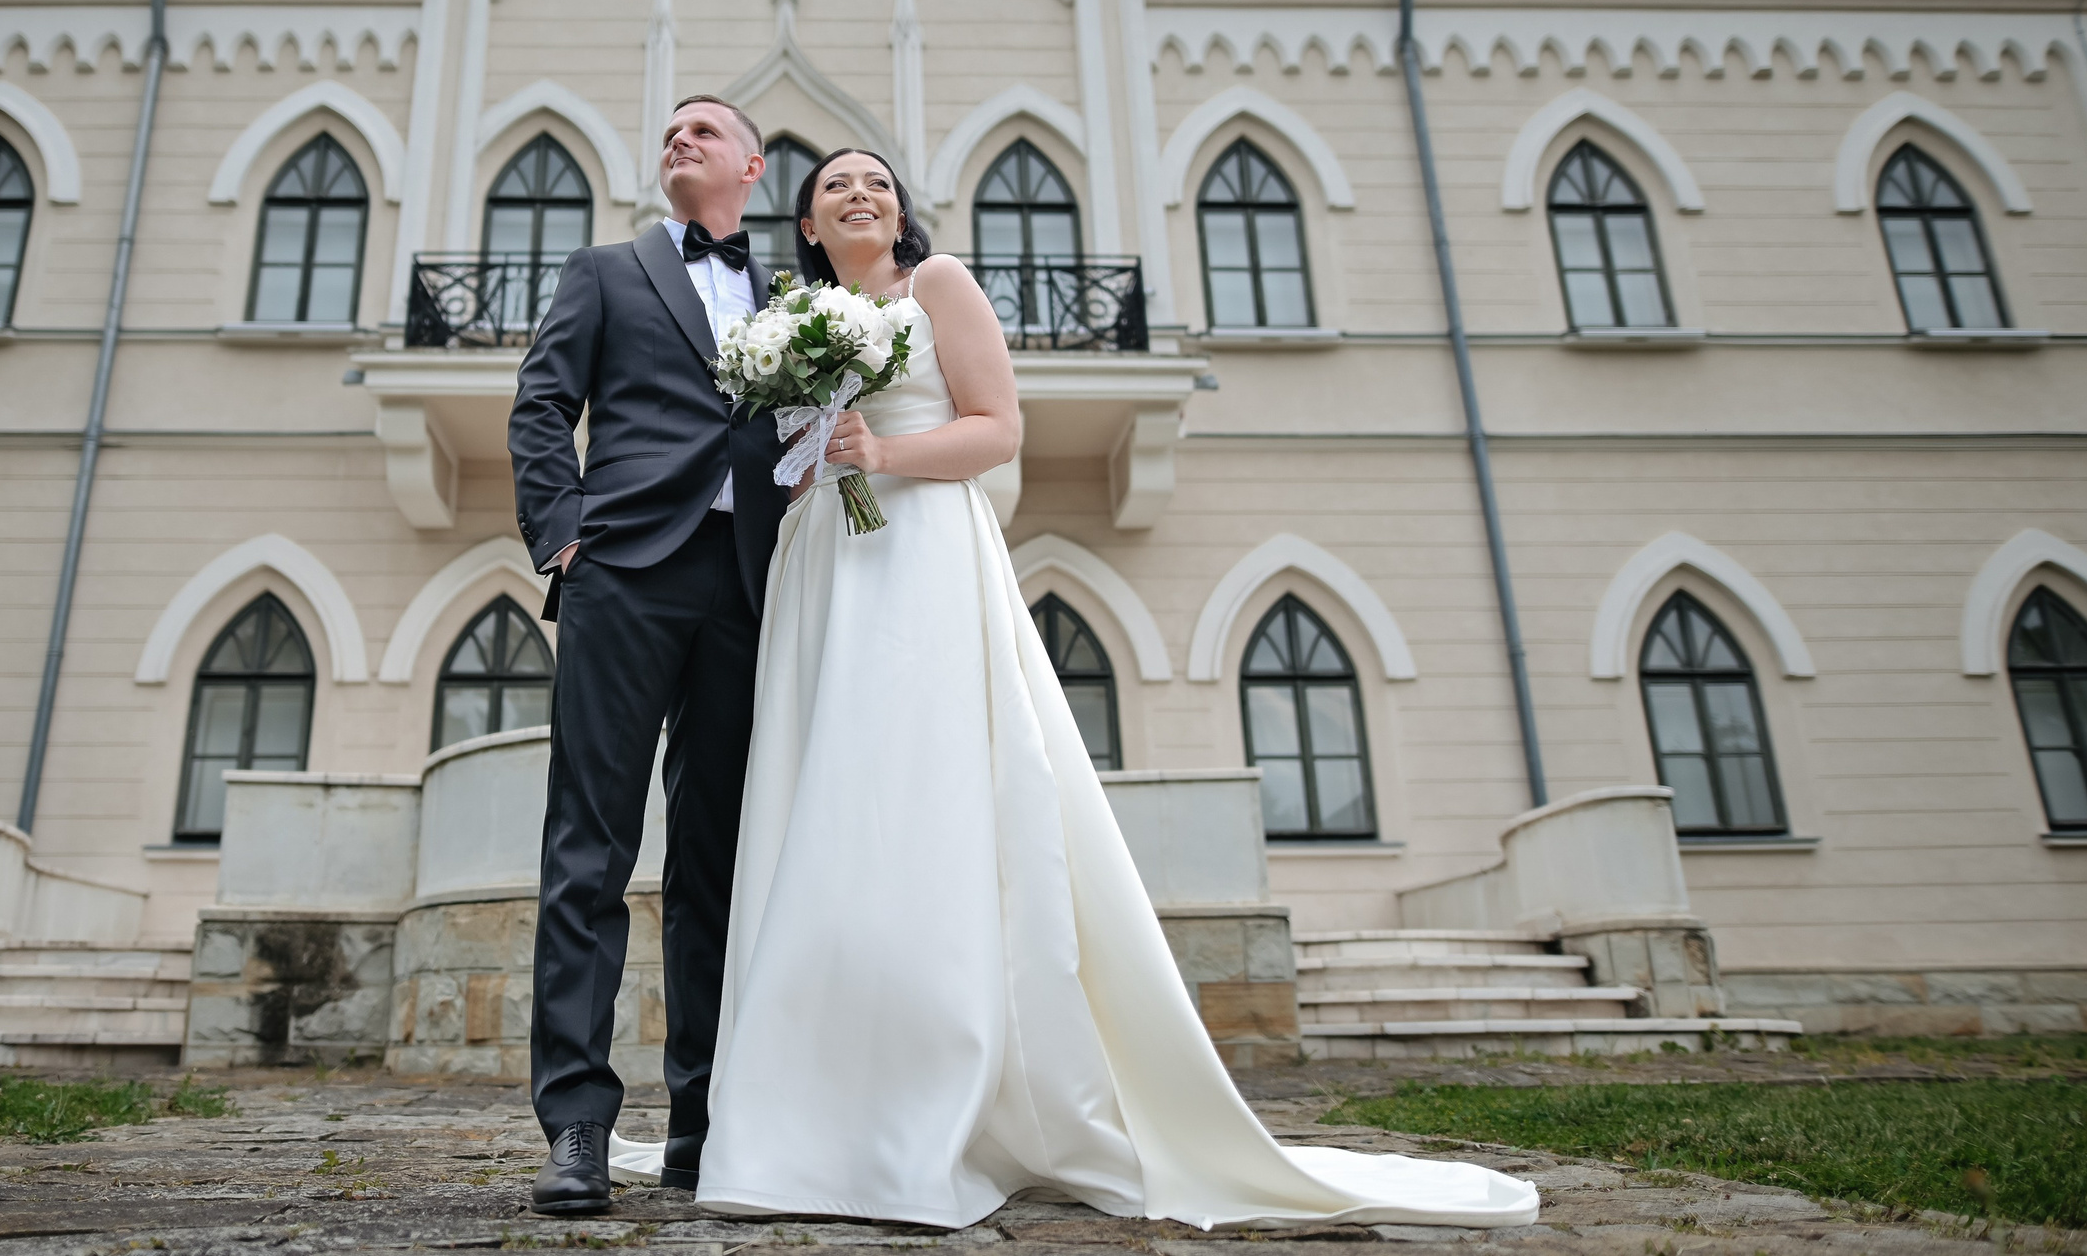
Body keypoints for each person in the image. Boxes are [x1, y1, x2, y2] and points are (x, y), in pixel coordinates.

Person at [614, 148, 1538, 1232]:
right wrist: (821, 457)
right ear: (808, 227)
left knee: (918, 788)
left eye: (874, 181)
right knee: (828, 802)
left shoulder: (938, 286)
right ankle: (809, 1101)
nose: (857, 194)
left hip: (917, 551)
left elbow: (1000, 427)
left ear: (899, 211)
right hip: (824, 563)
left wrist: (885, 451)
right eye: (833, 189)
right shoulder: (795, 319)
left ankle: (941, 1095)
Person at [507, 96, 783, 1215]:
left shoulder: (795, 300)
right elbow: (540, 403)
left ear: (752, 166)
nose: (681, 139)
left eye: (705, 130)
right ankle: (576, 1122)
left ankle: (702, 1128)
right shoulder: (604, 269)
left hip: (751, 585)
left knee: (715, 862)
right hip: (625, 572)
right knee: (590, 847)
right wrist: (562, 536)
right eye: (671, 130)